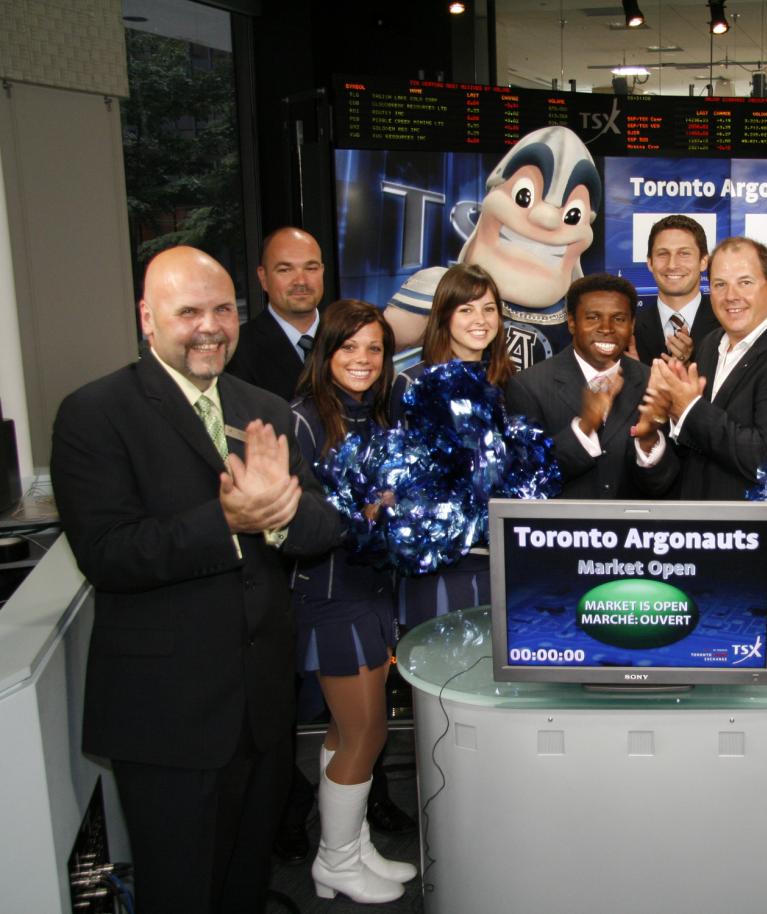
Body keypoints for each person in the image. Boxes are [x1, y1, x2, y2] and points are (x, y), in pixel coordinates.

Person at [50, 246, 343, 914]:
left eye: (223, 310)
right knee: (181, 893)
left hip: (262, 709)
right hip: (168, 719)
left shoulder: (263, 407)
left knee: (245, 886)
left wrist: (279, 516)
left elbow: (324, 525)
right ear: (147, 318)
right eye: (188, 312)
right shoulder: (95, 413)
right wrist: (229, 520)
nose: (210, 326)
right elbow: (108, 554)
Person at [290, 300, 416, 904]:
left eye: (375, 348)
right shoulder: (303, 419)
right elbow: (298, 520)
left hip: (373, 588)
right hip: (330, 593)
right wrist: (365, 512)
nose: (363, 359)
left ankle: (350, 846)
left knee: (350, 731)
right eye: (349, 347)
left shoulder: (380, 413)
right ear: (326, 352)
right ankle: (335, 860)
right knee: (365, 731)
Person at [382, 126, 601, 369]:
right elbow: (372, 351)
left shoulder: (578, 314)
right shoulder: (439, 290)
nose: (547, 218)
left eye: (572, 215)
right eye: (524, 196)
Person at [647, 236, 767, 501]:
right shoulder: (710, 343)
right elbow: (700, 443)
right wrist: (667, 413)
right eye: (720, 284)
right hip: (699, 517)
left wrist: (688, 409)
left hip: (751, 523)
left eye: (745, 282)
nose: (731, 296)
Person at [390, 263, 516, 629]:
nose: (480, 320)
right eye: (466, 309)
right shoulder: (412, 383)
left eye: (489, 309)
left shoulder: (509, 385)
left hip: (500, 563)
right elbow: (398, 478)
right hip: (437, 569)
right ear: (444, 316)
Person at [506, 273, 678, 499]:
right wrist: (585, 427)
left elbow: (664, 486)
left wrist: (648, 439)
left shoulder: (653, 383)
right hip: (561, 523)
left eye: (619, 319)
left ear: (632, 325)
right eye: (593, 317)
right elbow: (527, 478)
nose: (606, 328)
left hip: (632, 523)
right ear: (571, 323)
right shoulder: (529, 386)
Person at [226, 227, 325, 400]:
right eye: (285, 270)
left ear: (322, 271)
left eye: (311, 268)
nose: (301, 281)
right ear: (263, 277)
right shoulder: (237, 350)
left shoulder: (350, 337)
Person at [632, 215, 719, 364]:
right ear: (650, 263)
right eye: (663, 254)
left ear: (703, 261)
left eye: (684, 253)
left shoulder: (726, 324)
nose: (672, 265)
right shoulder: (630, 330)